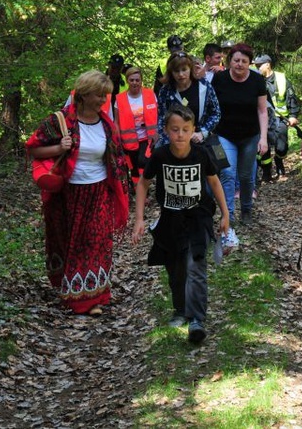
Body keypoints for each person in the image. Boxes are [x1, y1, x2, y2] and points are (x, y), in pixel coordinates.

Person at [26, 70, 129, 315]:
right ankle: (76, 293)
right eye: (98, 95)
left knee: (98, 241)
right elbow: (33, 150)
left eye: (106, 95)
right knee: (74, 242)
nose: (103, 100)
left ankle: (94, 296)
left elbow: (117, 158)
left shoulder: (106, 124)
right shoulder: (61, 121)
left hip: (100, 190)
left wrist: (122, 189)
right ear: (83, 95)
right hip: (70, 193)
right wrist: (58, 146)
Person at [132, 104, 230, 343]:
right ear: (166, 130)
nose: (180, 135)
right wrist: (139, 219)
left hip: (199, 215)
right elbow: (143, 184)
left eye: (185, 130)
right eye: (175, 129)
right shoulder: (160, 156)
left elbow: (215, 182)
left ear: (192, 130)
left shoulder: (202, 153)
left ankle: (197, 319)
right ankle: (180, 309)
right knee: (176, 267)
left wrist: (226, 214)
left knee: (196, 263)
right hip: (171, 218)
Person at [211, 43, 269, 225]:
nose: (239, 64)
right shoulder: (220, 79)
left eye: (244, 61)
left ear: (250, 63)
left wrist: (264, 138)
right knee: (227, 172)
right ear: (230, 61)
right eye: (236, 60)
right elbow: (211, 105)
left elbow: (262, 111)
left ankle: (246, 209)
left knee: (246, 176)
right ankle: (228, 213)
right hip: (223, 135)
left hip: (250, 136)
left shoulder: (257, 81)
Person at [156, 52, 221, 147]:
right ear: (171, 72)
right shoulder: (165, 91)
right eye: (176, 71)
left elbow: (216, 113)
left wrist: (203, 133)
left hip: (200, 139)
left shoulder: (204, 85)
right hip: (174, 142)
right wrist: (169, 140)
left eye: (184, 70)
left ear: (190, 69)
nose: (181, 74)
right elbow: (161, 119)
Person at [254, 54, 301, 182]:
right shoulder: (255, 79)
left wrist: (293, 116)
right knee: (264, 148)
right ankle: (267, 172)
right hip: (262, 120)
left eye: (259, 65)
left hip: (281, 119)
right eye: (256, 65)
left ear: (268, 64)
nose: (257, 68)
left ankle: (279, 164)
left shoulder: (281, 79)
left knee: (281, 147)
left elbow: (292, 98)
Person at [115, 66, 158, 186]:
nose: (134, 83)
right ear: (127, 80)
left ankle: (143, 186)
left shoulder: (150, 94)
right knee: (133, 166)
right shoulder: (119, 99)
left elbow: (158, 115)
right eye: (131, 80)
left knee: (142, 161)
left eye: (137, 80)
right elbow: (116, 122)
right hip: (128, 140)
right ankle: (137, 188)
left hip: (147, 138)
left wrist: (158, 133)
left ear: (141, 81)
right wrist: (117, 139)